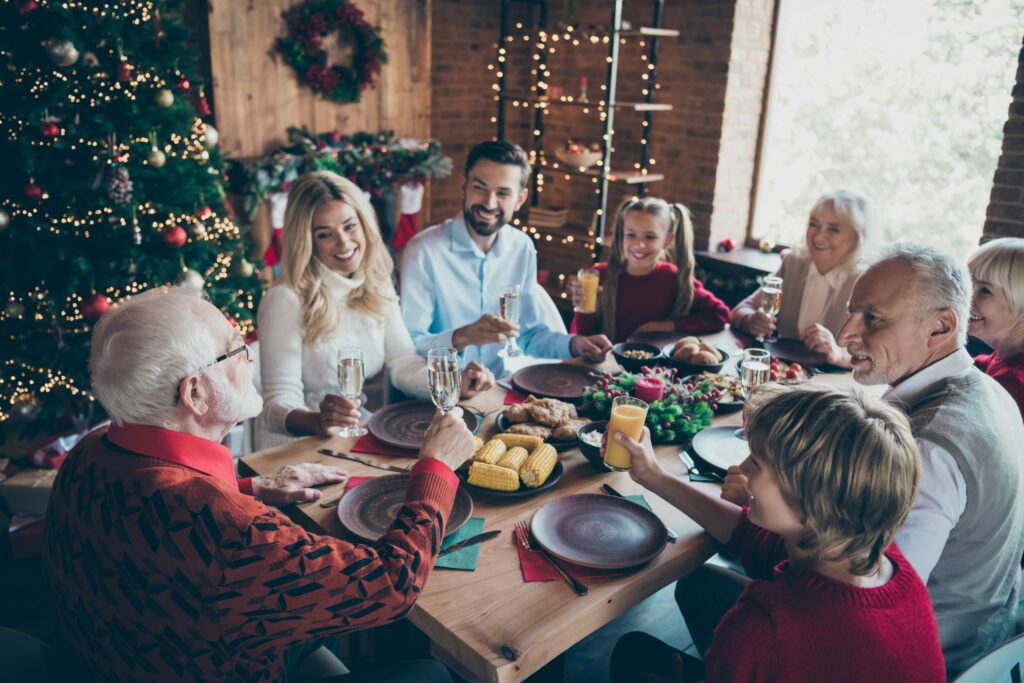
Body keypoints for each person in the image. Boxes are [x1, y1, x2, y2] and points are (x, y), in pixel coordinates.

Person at [45, 285, 471, 682]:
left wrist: (250, 488)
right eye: (233, 348)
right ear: (195, 394)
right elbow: (392, 586)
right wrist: (436, 466)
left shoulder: (88, 451)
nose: (249, 353)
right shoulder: (230, 532)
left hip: (122, 653)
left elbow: (157, 528)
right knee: (429, 674)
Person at [717, 243, 1024, 676]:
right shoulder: (988, 388)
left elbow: (863, 597)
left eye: (872, 318)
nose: (844, 334)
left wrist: (771, 503)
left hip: (934, 658)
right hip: (997, 640)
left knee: (701, 585)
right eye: (852, 312)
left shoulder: (927, 449)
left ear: (940, 326)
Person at [609, 384, 945, 682]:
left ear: (809, 500)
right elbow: (750, 538)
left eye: (756, 461)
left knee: (633, 653)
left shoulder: (766, 626)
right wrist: (653, 475)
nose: (740, 469)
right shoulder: (881, 559)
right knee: (701, 584)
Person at [257, 171, 493, 449]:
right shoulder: (284, 299)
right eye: (325, 234)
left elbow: (403, 361)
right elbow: (276, 405)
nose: (344, 243)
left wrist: (453, 384)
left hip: (353, 435)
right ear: (307, 242)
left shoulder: (375, 282)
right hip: (296, 448)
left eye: (349, 226)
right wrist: (318, 421)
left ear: (365, 223)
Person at [399, 140, 613, 377]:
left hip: (499, 391)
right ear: (464, 186)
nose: (489, 203)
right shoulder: (423, 251)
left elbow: (529, 336)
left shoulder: (522, 247)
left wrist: (576, 345)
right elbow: (408, 346)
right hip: (441, 394)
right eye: (480, 188)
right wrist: (462, 337)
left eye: (502, 193)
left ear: (520, 199)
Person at [730, 189, 880, 367]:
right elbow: (741, 310)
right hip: (781, 374)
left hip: (832, 386)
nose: (818, 236)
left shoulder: (866, 282)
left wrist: (838, 354)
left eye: (833, 229)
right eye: (814, 224)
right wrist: (751, 321)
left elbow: (876, 355)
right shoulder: (794, 264)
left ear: (857, 237)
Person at [568, 196, 730, 343]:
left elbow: (720, 315)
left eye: (650, 237)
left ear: (667, 241)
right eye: (631, 235)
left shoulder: (674, 279)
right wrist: (583, 309)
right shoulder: (600, 275)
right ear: (621, 234)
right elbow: (582, 339)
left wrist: (668, 325)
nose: (639, 244)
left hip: (653, 371)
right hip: (603, 367)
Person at [967, 237, 1024, 419]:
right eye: (968, 284)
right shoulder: (1007, 356)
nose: (967, 297)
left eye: (984, 291)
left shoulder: (1011, 386)